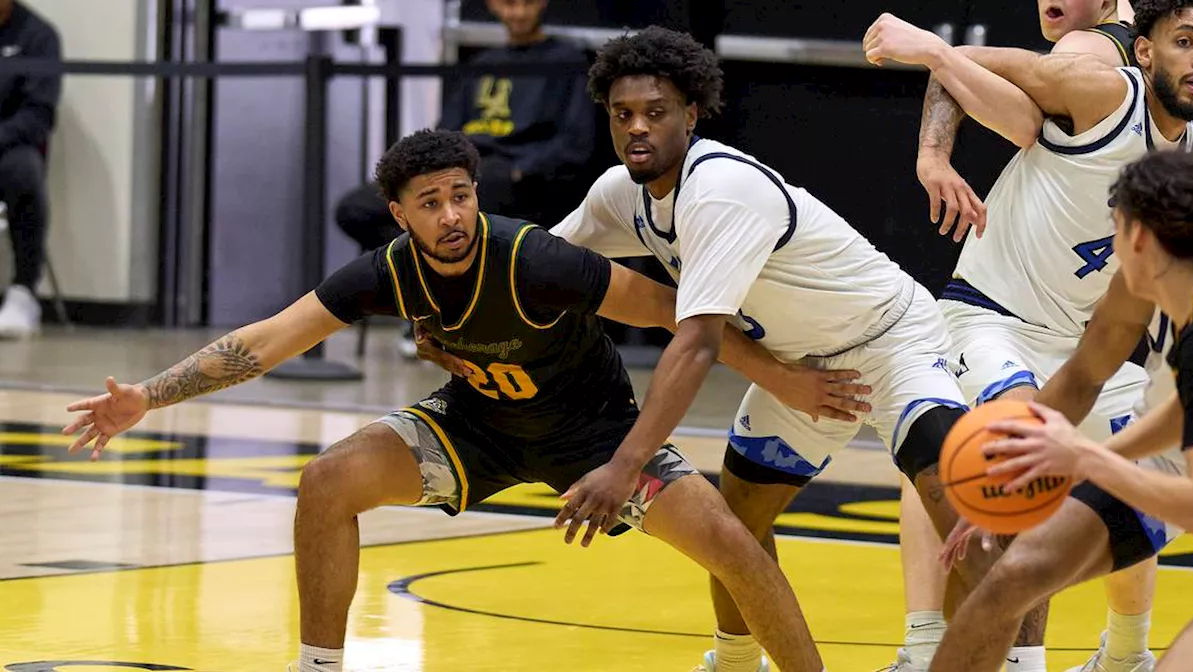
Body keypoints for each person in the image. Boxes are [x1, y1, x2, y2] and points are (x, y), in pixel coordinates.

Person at [58, 129, 863, 672]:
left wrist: (784, 377)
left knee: (732, 540)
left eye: (460, 195)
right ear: (399, 215)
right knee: (327, 481)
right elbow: (265, 341)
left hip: (592, 433)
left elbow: (675, 314)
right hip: (476, 427)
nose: (451, 216)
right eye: (431, 203)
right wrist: (147, 398)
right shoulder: (385, 271)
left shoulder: (537, 260)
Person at [547, 26, 1041, 672]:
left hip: (894, 344)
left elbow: (696, 345)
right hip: (798, 367)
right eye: (622, 115)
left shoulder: (718, 189)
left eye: (655, 112)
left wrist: (625, 465)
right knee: (733, 523)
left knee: (964, 519)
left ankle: (1020, 666)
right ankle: (734, 660)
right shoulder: (620, 195)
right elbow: (538, 264)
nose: (637, 127)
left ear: (691, 114)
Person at [863, 0, 1193, 668]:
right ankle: (1000, 659)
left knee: (1123, 488)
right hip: (995, 317)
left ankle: (1127, 654)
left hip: (1088, 347)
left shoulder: (1190, 157)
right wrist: (932, 151)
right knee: (1015, 465)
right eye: (1186, 42)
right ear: (1147, 52)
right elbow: (963, 62)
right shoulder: (1098, 85)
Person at [887, 2, 1142, 670]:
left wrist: (935, 68)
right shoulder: (1099, 55)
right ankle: (1091, 656)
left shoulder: (1097, 55)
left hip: (1075, 329)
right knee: (987, 457)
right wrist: (933, 150)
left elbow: (1012, 110)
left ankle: (1112, 655)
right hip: (1010, 315)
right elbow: (979, 79)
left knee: (1069, 476)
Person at [973, 145, 1193, 672]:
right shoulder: (1174, 277)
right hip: (1188, 453)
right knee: (1017, 570)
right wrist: (1025, 460)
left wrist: (1089, 459)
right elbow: (1095, 378)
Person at [335, 0, 595, 357]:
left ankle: (444, 310)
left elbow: (575, 142)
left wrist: (523, 171)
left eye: (525, 3)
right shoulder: (482, 65)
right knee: (356, 208)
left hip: (517, 177)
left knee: (457, 214)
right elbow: (446, 133)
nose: (517, 13)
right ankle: (435, 302)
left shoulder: (567, 60)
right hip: (463, 169)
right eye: (508, 3)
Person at [0, 0, 61, 338]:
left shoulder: (38, 36)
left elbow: (39, 115)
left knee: (23, 171)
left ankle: (23, 291)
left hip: (8, 148)